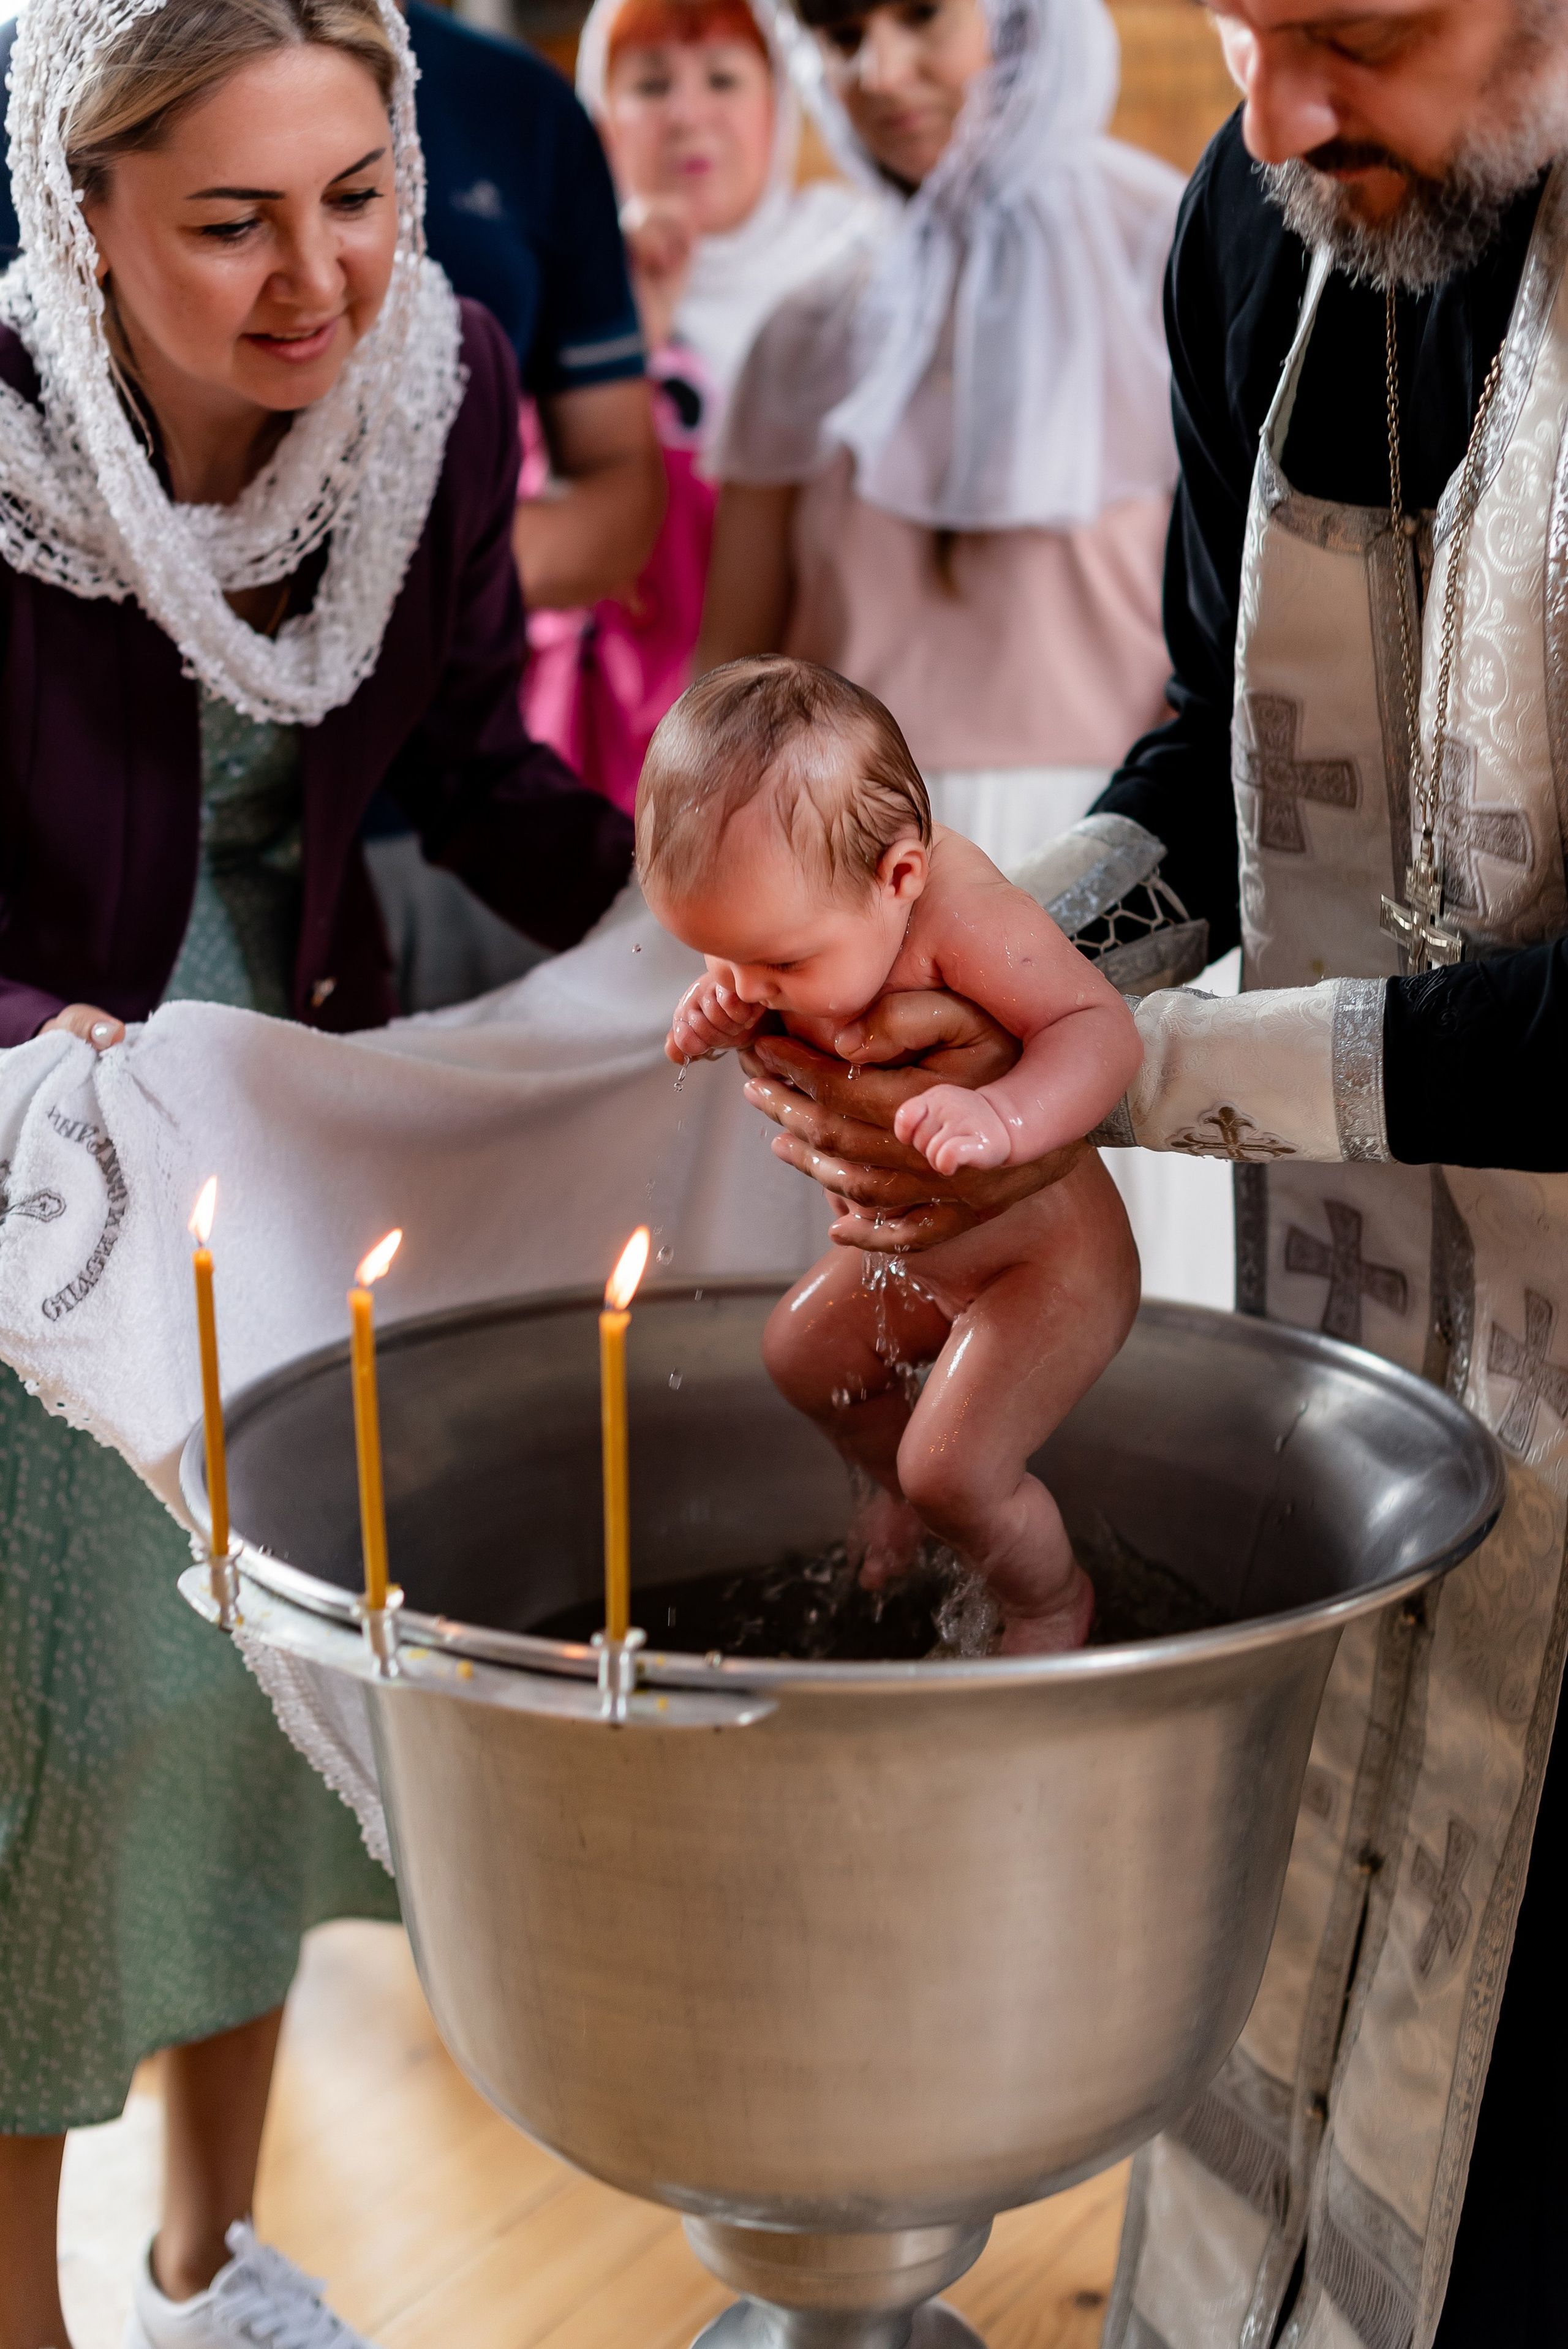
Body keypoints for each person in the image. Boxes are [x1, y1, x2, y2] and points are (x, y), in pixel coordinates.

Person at [742, 0, 1568, 2337]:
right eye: (1232, 23)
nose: (1276, 112)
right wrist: (974, 977)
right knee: (1274, 2046)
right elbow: (1221, 741)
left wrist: (1138, 1075)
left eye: (1359, 36)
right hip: (1361, 1360)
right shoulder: (1264, 210)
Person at [0, 2, 631, 2346]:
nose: (318, 281)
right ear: (83, 216)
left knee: (274, 1680)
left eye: (359, 196)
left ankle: (208, 2257)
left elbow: (476, 771)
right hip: (45, 1137)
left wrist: (695, 930)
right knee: (73, 1719)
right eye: (233, 223)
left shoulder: (435, 391)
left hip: (294, 1074)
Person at [640, 658, 1140, 1650]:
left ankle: (1049, 1601)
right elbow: (751, 965)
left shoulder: (961, 917)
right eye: (717, 957)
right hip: (920, 1255)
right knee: (802, 1355)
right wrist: (720, 1000)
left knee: (952, 1465)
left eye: (778, 962)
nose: (754, 985)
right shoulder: (818, 907)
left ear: (899, 877)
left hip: (1046, 1267)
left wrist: (1006, 1116)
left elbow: (1100, 1028)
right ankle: (901, 1504)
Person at [523, 0, 876, 817]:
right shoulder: (553, 285)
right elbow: (508, 547)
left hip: (804, 772)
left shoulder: (863, 276)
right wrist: (624, 331)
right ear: (602, 116)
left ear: (781, 104)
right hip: (587, 769)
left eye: (722, 78)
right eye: (650, 85)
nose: (688, 113)